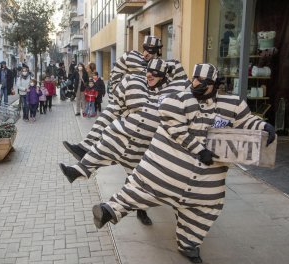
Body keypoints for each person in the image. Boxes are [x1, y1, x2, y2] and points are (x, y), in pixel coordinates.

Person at [91, 63, 276, 264]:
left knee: (207, 206)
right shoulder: (177, 100)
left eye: (203, 82)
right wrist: (200, 150)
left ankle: (188, 244)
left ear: (214, 84)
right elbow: (176, 129)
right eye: (195, 79)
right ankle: (109, 210)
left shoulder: (231, 104)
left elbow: (246, 121)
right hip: (167, 171)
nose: (196, 84)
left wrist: (263, 126)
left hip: (206, 179)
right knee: (142, 187)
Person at [59, 59, 190, 226]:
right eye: (148, 70)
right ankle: (77, 169)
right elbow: (114, 106)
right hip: (123, 136)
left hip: (145, 148)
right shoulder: (138, 84)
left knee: (139, 181)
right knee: (102, 147)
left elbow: (185, 85)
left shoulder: (172, 92)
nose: (149, 74)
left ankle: (139, 212)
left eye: (155, 72)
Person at [63, 35, 168, 158]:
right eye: (144, 49)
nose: (146, 53)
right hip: (128, 100)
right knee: (106, 117)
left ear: (158, 51)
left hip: (148, 106)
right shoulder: (131, 56)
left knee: (121, 137)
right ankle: (84, 147)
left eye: (150, 51)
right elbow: (115, 72)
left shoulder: (164, 66)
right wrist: (115, 94)